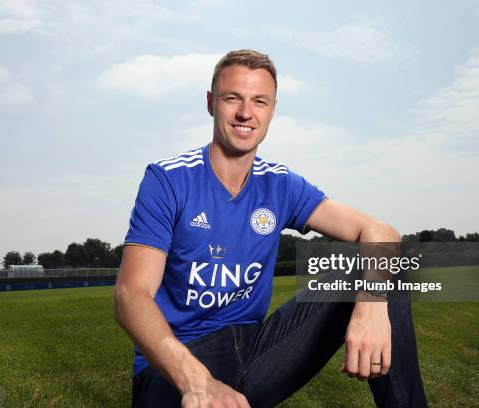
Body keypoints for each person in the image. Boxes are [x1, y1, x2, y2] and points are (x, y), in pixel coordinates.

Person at [115, 50, 427, 408]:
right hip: (176, 366)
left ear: (272, 110)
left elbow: (380, 231)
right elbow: (130, 296)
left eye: (259, 101)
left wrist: (371, 310)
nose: (246, 113)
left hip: (254, 352)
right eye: (232, 98)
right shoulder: (168, 179)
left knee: (384, 269)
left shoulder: (280, 184)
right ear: (210, 103)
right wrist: (197, 381)